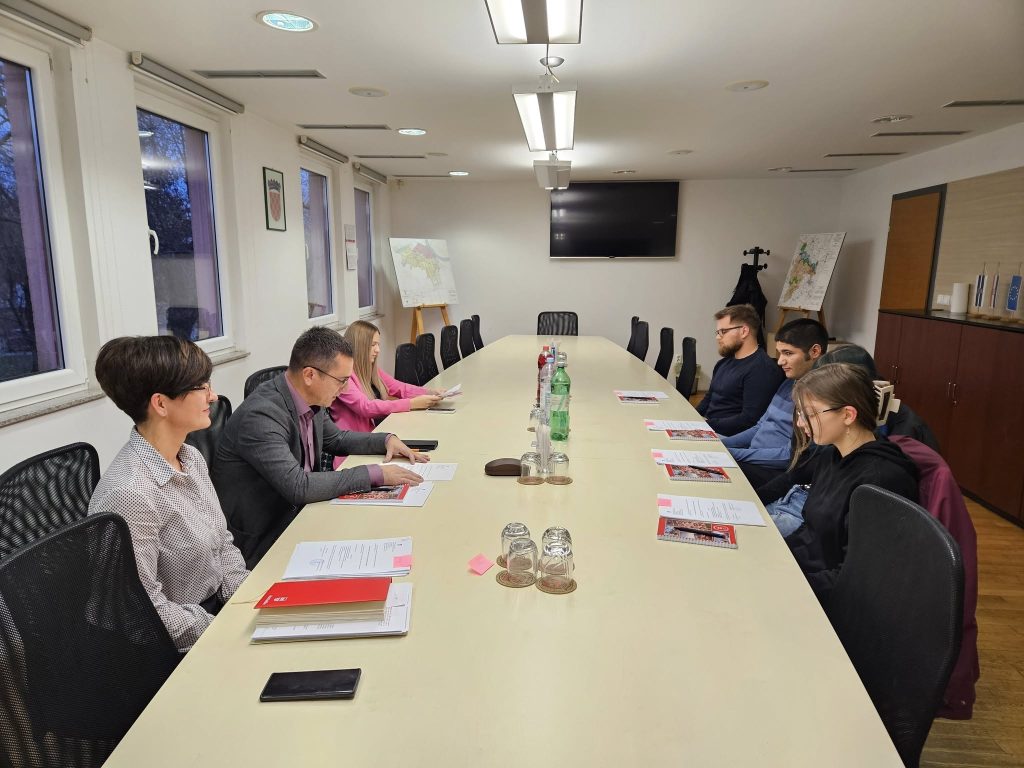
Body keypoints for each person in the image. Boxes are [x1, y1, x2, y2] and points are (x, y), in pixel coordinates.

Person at [212, 326, 426, 567]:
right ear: (309, 375)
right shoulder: (262, 415)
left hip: (301, 517)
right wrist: (375, 474)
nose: (345, 389)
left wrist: (385, 440)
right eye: (341, 381)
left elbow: (336, 439)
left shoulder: (310, 398)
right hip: (263, 540)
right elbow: (299, 485)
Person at [88, 336, 249, 652]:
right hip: (172, 647)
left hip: (214, 616)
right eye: (201, 387)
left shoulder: (190, 457)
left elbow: (222, 544)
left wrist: (248, 601)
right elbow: (145, 611)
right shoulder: (130, 494)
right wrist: (227, 631)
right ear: (161, 404)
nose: (213, 396)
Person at [757, 363, 919, 605]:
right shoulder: (831, 456)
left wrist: (784, 584)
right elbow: (811, 533)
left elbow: (860, 575)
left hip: (832, 599)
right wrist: (775, 557)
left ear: (848, 415)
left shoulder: (881, 481)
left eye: (810, 414)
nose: (800, 423)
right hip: (804, 576)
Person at [721, 318, 828, 487]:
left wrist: (730, 454)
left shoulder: (819, 398)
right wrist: (719, 445)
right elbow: (760, 426)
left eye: (788, 353)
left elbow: (789, 456)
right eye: (780, 353)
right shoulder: (789, 382)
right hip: (752, 458)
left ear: (815, 351)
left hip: (773, 472)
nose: (780, 361)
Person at [329, 320, 444, 466]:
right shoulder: (344, 377)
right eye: (373, 345)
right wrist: (411, 404)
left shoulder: (371, 370)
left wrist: (430, 392)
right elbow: (366, 407)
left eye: (378, 344)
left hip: (371, 440)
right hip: (350, 452)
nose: (378, 350)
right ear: (360, 346)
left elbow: (399, 387)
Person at [695, 304, 784, 436]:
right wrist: (692, 419)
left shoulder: (762, 369)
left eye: (723, 331)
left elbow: (749, 420)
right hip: (710, 428)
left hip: (728, 437)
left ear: (744, 331)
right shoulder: (723, 363)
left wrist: (706, 425)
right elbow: (709, 399)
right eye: (717, 332)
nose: (718, 337)